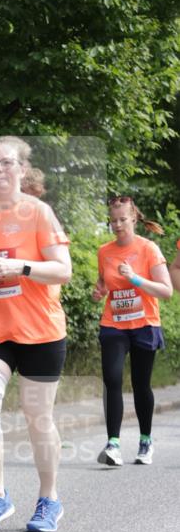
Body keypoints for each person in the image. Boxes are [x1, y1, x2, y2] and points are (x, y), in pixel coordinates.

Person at [0, 136, 72, 532]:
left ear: (22, 170)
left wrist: (19, 266)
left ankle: (49, 499)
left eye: (7, 163)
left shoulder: (39, 213)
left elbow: (63, 270)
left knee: (37, 417)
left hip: (40, 329)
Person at [92, 197, 172, 466]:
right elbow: (104, 282)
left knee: (140, 384)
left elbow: (167, 291)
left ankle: (145, 440)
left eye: (122, 220)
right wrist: (99, 290)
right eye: (113, 220)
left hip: (145, 323)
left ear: (134, 219)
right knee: (112, 379)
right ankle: (113, 443)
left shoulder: (149, 249)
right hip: (114, 323)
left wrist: (135, 278)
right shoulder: (104, 251)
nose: (117, 225)